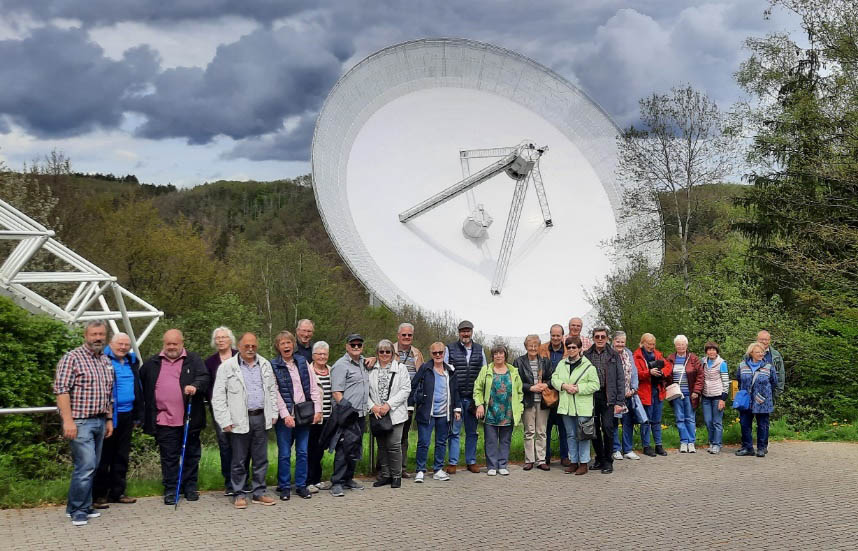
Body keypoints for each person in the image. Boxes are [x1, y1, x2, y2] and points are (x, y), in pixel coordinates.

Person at [211, 333, 283, 508]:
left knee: (261, 459)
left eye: (253, 346)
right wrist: (224, 420)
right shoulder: (227, 367)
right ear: (239, 347)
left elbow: (272, 391)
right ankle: (239, 493)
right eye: (247, 346)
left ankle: (259, 492)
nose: (250, 349)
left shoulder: (265, 364)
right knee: (239, 460)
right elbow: (218, 396)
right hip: (238, 419)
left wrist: (273, 413)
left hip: (261, 417)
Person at [53, 320, 114, 526]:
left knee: (92, 466)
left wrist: (108, 419)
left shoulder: (105, 360)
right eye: (94, 334)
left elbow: (108, 393)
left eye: (101, 334)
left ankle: (81, 506)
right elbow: (61, 391)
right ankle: (78, 510)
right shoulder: (72, 358)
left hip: (99, 420)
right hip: (80, 421)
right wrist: (67, 421)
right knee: (86, 465)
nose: (98, 338)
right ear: (85, 336)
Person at [139, 329, 209, 505]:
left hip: (189, 419)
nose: (171, 347)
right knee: (169, 457)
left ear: (182, 343)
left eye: (175, 344)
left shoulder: (193, 360)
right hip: (164, 419)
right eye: (168, 344)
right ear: (164, 344)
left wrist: (195, 386)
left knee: (191, 455)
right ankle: (171, 489)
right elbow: (141, 385)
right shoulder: (152, 363)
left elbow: (204, 378)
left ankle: (190, 487)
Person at [270, 330, 322, 501]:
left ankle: (301, 485)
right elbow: (275, 392)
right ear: (278, 347)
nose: (286, 346)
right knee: (284, 453)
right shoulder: (274, 365)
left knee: (302, 452)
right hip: (285, 417)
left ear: (293, 345)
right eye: (282, 343)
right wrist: (285, 415)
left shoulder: (302, 362)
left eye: (289, 343)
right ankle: (284, 487)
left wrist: (317, 410)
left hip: (304, 415)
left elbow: (314, 386)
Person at [93, 332, 143, 508]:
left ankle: (118, 492)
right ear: (111, 344)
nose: (123, 347)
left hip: (127, 414)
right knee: (104, 456)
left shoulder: (131, 360)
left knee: (121, 456)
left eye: (126, 345)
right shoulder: (102, 358)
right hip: (108, 415)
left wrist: (138, 414)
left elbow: (138, 386)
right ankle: (99, 495)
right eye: (120, 344)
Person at [410, 342, 462, 482]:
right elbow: (413, 386)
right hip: (427, 412)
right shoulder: (425, 368)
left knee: (441, 442)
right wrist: (411, 406)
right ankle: (420, 470)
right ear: (430, 354)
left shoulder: (450, 370)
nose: (438, 355)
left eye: (440, 352)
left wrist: (457, 409)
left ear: (444, 353)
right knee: (423, 442)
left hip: (444, 413)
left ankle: (438, 469)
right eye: (435, 353)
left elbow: (455, 390)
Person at [327, 334, 370, 497]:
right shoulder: (341, 365)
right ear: (347, 347)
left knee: (354, 448)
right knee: (343, 448)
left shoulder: (363, 362)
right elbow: (337, 392)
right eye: (353, 345)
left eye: (359, 345)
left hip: (361, 413)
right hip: (348, 414)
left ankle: (348, 479)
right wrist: (347, 411)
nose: (356, 348)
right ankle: (337, 482)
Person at [551, 335, 600, 475]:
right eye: (569, 347)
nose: (571, 350)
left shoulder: (588, 366)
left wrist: (578, 388)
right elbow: (554, 378)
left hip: (582, 407)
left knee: (583, 435)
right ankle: (573, 461)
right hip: (566, 406)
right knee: (570, 435)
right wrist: (564, 385)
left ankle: (583, 463)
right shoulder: (562, 364)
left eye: (574, 347)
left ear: (580, 349)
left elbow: (595, 385)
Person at [368, 339, 412, 488]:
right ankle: (385, 475)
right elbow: (365, 391)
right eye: (381, 351)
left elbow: (405, 389)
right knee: (381, 446)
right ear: (377, 353)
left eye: (388, 351)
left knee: (394, 445)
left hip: (395, 413)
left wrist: (389, 405)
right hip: (377, 413)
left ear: (393, 354)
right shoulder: (370, 369)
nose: (385, 354)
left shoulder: (401, 368)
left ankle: (396, 475)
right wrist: (373, 406)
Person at [474, 344, 523, 476]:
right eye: (496, 354)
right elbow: (477, 388)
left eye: (501, 353)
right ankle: (491, 466)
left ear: (505, 355)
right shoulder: (486, 370)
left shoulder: (513, 371)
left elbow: (519, 392)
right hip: (491, 411)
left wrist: (520, 408)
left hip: (508, 411)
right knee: (490, 440)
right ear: (492, 356)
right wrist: (479, 404)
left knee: (505, 440)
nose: (498, 356)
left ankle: (502, 465)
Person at [444, 320, 485, 474]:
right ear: (459, 332)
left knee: (472, 432)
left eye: (468, 330)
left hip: (473, 397)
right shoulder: (450, 349)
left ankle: (471, 461)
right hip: (456, 396)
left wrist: (480, 400)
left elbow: (483, 374)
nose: (465, 333)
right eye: (463, 331)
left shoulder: (479, 350)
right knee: (454, 431)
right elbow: (446, 371)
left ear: (472, 331)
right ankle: (453, 462)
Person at [203, 326, 240, 495]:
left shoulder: (240, 357)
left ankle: (242, 480)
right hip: (220, 409)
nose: (220, 340)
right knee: (225, 446)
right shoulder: (210, 362)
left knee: (241, 445)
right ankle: (229, 483)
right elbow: (208, 386)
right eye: (218, 338)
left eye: (224, 337)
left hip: (240, 408)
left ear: (230, 339)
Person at [584, 326, 624, 474]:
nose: (600, 339)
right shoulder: (587, 355)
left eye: (602, 336)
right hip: (591, 396)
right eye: (597, 336)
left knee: (608, 428)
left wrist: (620, 402)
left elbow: (620, 378)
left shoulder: (614, 355)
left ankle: (608, 460)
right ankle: (599, 459)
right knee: (593, 429)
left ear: (607, 338)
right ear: (593, 338)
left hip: (608, 397)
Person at [514, 335, 553, 470]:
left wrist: (545, 385)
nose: (533, 348)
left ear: (539, 347)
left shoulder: (545, 361)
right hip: (528, 400)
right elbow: (516, 382)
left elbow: (551, 378)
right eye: (530, 346)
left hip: (543, 401)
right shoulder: (519, 362)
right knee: (529, 431)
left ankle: (541, 460)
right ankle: (529, 459)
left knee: (541, 431)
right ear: (526, 346)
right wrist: (530, 388)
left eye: (535, 346)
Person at [735, 342, 778, 457]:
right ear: (751, 353)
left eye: (762, 352)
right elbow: (739, 380)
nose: (760, 354)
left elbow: (774, 382)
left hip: (763, 401)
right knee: (744, 424)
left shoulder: (769, 366)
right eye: (757, 352)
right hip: (746, 401)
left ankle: (762, 448)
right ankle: (747, 447)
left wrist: (764, 393)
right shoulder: (742, 365)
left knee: (763, 425)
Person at [634, 333, 672, 457]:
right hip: (645, 392)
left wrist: (662, 372)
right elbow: (636, 374)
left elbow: (668, 366)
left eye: (653, 344)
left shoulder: (658, 354)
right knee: (646, 421)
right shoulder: (637, 356)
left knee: (657, 420)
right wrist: (648, 372)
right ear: (643, 343)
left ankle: (659, 445)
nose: (651, 346)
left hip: (658, 391)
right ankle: (646, 446)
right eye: (649, 344)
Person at [393, 322, 424, 478]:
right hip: (392, 400)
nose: (406, 337)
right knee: (389, 435)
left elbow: (422, 375)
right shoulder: (389, 350)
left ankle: (402, 468)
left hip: (409, 401)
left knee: (404, 435)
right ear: (398, 335)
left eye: (409, 335)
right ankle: (385, 468)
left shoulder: (417, 353)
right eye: (403, 334)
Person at [667, 335, 704, 453]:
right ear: (675, 346)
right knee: (680, 418)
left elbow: (700, 376)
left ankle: (691, 442)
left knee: (690, 418)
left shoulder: (693, 358)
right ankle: (683, 441)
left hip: (690, 394)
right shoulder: (670, 358)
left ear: (686, 346)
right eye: (678, 344)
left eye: (683, 344)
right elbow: (667, 375)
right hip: (676, 394)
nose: (681, 346)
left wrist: (696, 391)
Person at [539, 324, 569, 466]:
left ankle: (565, 456)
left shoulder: (568, 349)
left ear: (562, 336)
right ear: (550, 335)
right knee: (546, 427)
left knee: (564, 427)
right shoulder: (542, 348)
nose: (555, 338)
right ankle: (545, 457)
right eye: (553, 335)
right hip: (546, 393)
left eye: (558, 335)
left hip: (563, 394)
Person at [307, 341, 333, 492]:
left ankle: (317, 479)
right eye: (319, 354)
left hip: (328, 417)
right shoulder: (308, 371)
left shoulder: (331, 370)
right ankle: (308, 480)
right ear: (313, 356)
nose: (322, 357)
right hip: (313, 417)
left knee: (320, 450)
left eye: (325, 354)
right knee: (311, 449)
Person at [611, 331, 641, 461]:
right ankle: (615, 449)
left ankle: (628, 449)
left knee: (627, 423)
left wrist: (633, 388)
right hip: (614, 396)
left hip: (628, 394)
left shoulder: (628, 353)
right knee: (613, 423)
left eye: (622, 342)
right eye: (618, 341)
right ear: (613, 341)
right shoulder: (609, 353)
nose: (620, 344)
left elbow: (634, 372)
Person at [701, 341, 729, 454]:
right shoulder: (703, 362)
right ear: (706, 351)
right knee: (708, 421)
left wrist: (723, 398)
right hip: (706, 396)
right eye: (709, 349)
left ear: (717, 351)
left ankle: (717, 444)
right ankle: (712, 442)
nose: (711, 352)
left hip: (718, 396)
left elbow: (726, 382)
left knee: (717, 422)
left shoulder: (722, 363)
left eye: (713, 349)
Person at [756, 330, 785, 398]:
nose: (764, 342)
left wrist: (778, 392)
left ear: (769, 341)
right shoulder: (749, 354)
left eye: (766, 339)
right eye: (761, 339)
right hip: (753, 393)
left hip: (770, 394)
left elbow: (781, 373)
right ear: (757, 340)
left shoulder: (776, 355)